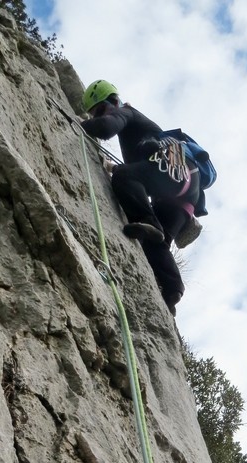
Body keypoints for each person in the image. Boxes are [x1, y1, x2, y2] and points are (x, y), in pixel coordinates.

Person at [80, 80, 201, 316]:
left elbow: (106, 127)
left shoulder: (127, 112)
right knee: (155, 244)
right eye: (94, 114)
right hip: (180, 199)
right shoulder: (137, 135)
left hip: (176, 174)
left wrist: (83, 123)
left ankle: (151, 221)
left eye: (100, 110)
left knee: (124, 177)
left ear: (114, 101)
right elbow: (144, 174)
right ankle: (172, 291)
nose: (98, 116)